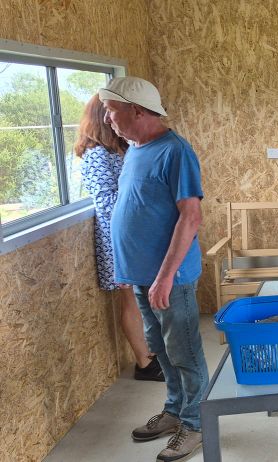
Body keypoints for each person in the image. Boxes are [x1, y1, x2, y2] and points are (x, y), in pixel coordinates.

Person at [99, 76, 209, 461]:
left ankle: (196, 424)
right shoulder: (136, 148)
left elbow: (190, 217)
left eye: (112, 111)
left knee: (185, 350)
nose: (107, 118)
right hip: (144, 276)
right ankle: (175, 410)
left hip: (170, 277)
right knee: (161, 349)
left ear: (138, 111)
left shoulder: (174, 151)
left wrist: (165, 276)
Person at [74, 94, 165, 382]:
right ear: (104, 117)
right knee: (132, 300)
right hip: (118, 238)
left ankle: (153, 354)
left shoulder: (119, 150)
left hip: (134, 234)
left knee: (145, 300)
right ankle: (143, 361)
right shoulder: (98, 155)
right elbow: (108, 204)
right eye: (114, 112)